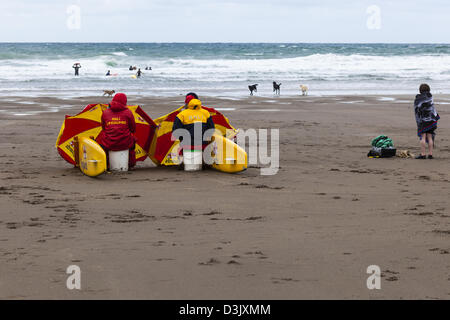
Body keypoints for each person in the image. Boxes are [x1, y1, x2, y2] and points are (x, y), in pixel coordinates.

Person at [96, 93, 137, 168]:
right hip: (125, 143)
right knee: (133, 141)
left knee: (101, 140)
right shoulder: (128, 112)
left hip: (108, 143)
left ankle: (107, 163)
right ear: (125, 101)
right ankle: (131, 163)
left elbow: (104, 128)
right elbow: (133, 129)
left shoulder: (105, 112)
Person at [414, 83, 440, 159]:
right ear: (428, 90)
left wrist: (418, 121)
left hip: (423, 121)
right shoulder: (430, 97)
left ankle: (423, 154)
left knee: (423, 137)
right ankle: (430, 154)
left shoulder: (418, 99)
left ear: (420, 90)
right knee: (430, 137)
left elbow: (417, 110)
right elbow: (432, 109)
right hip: (431, 120)